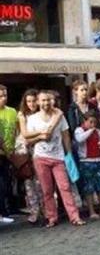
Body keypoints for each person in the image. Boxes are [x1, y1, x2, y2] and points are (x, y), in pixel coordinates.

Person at [24, 91, 85, 227]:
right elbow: (28, 139)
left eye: (48, 100)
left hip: (58, 157)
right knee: (47, 190)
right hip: (41, 157)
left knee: (65, 187)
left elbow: (65, 136)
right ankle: (52, 217)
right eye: (43, 100)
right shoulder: (33, 119)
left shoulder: (59, 116)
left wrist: (68, 154)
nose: (46, 103)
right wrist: (40, 137)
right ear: (38, 102)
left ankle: (74, 216)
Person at [73, 112, 100, 219]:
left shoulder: (98, 131)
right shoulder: (79, 130)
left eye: (95, 122)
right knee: (88, 187)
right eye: (90, 122)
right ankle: (91, 211)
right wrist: (90, 131)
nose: (93, 124)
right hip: (86, 161)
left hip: (98, 160)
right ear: (84, 122)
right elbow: (80, 139)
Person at [16, 90, 44, 224]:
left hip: (40, 150)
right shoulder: (22, 115)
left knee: (41, 182)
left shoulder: (42, 114)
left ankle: (45, 209)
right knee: (29, 182)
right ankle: (34, 211)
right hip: (26, 151)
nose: (31, 104)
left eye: (33, 101)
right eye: (29, 101)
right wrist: (40, 135)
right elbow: (25, 134)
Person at [0, 84, 18, 224]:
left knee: (8, 183)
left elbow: (17, 130)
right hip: (2, 152)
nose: (3, 98)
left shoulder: (12, 111)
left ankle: (10, 209)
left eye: (5, 95)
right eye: (0, 96)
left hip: (11, 151)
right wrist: (6, 151)